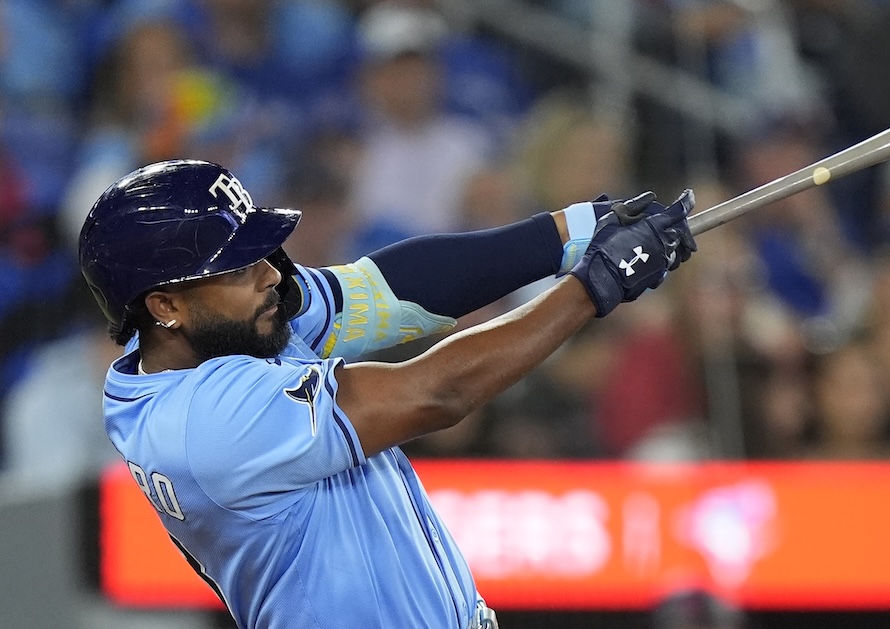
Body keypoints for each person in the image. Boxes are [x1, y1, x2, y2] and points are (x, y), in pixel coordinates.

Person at [77, 159, 696, 629]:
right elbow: (436, 394)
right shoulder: (203, 420)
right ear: (165, 305)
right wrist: (597, 285)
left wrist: (577, 230)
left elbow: (387, 289)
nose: (272, 274)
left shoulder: (221, 334)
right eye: (238, 266)